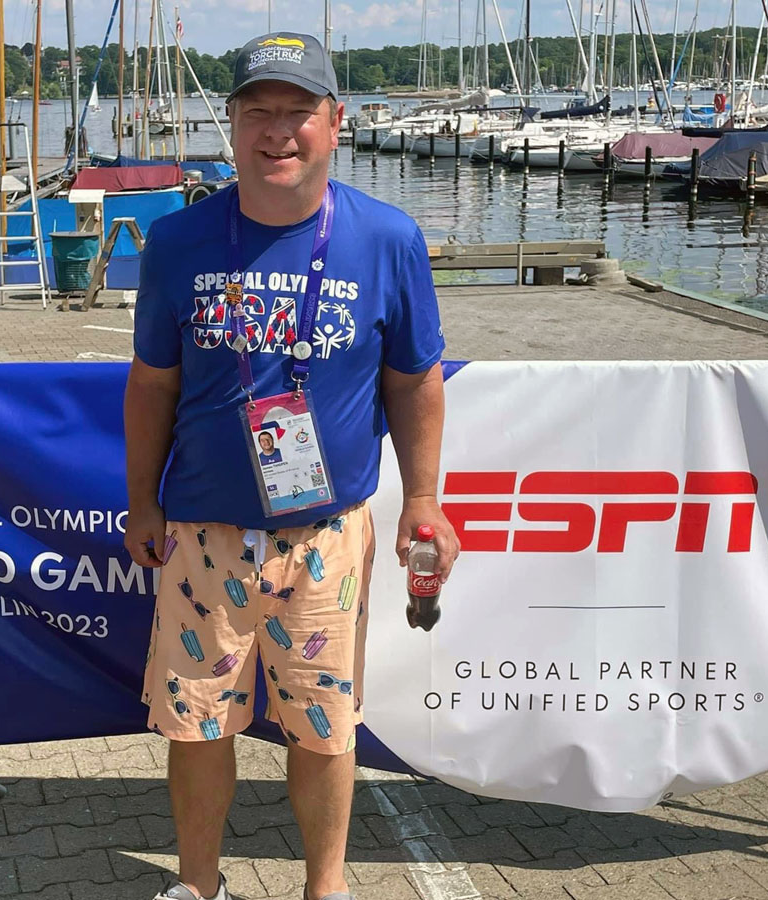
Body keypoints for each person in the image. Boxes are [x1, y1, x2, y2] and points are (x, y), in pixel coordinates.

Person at [124, 31, 460, 900]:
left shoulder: (388, 239)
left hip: (328, 537)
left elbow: (415, 380)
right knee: (197, 728)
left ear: (335, 122)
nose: (278, 132)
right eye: (257, 112)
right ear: (230, 125)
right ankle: (200, 886)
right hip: (203, 533)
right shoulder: (178, 243)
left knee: (324, 730)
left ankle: (327, 888)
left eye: (298, 112)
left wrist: (424, 498)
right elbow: (153, 385)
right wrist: (140, 501)